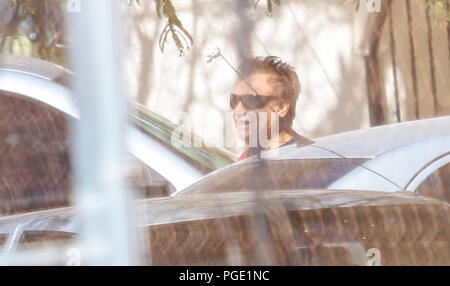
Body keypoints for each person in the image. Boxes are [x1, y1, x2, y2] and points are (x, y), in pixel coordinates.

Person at [231, 56, 312, 161]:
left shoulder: (312, 159)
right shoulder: (244, 160)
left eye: (251, 100)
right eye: (234, 100)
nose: (238, 111)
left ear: (281, 107)